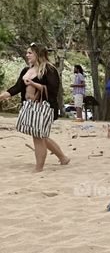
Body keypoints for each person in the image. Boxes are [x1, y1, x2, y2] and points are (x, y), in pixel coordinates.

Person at [0, 43, 70, 172]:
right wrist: (2, 96)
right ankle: (63, 158)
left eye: (30, 53)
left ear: (38, 54)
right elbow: (16, 88)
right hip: (29, 107)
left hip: (44, 108)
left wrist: (33, 83)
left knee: (38, 137)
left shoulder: (49, 69)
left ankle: (38, 168)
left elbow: (53, 90)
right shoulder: (26, 70)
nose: (27, 55)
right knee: (41, 136)